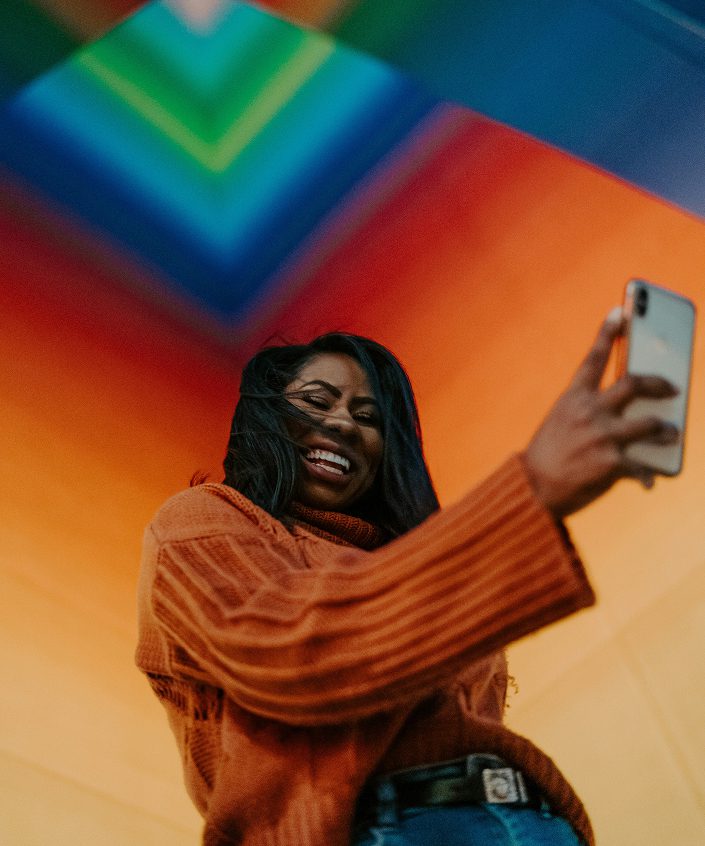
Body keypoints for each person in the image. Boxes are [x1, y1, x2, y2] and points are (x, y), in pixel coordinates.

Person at [135, 311, 678, 846]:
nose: (344, 424)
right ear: (266, 417)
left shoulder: (408, 561)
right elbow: (294, 655)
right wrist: (533, 486)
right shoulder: (203, 519)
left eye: (369, 417)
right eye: (317, 401)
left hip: (531, 821)